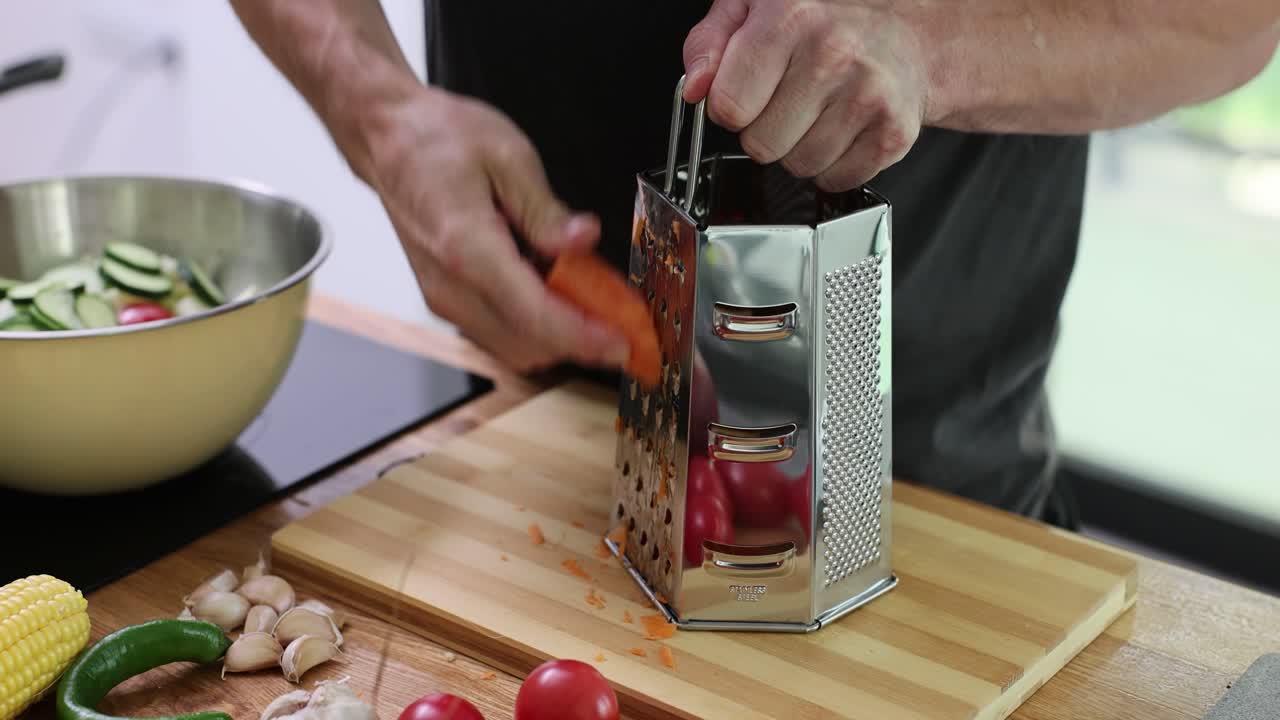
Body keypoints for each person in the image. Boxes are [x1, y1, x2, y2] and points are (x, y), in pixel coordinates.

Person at [228, 0, 1279, 525]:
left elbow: (1228, 18)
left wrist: (931, 47)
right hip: (510, 457)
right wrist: (379, 111)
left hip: (941, 493)